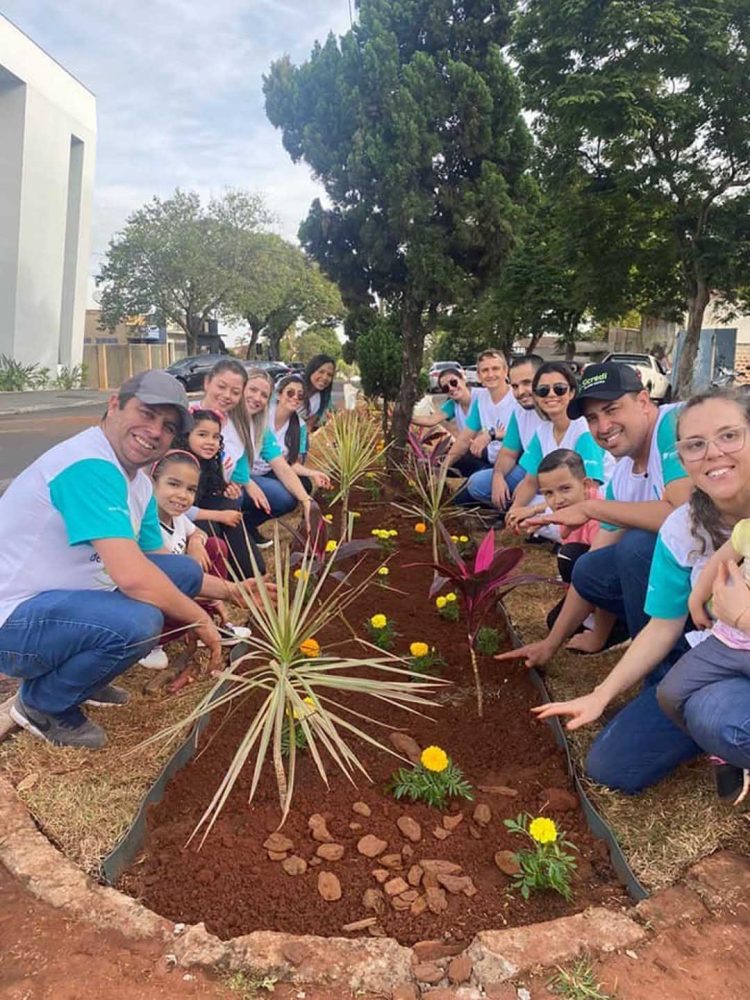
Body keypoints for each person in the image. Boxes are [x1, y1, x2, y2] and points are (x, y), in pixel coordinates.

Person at [0, 370, 261, 750]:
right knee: (138, 621)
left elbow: (156, 563)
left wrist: (232, 590)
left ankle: (78, 678)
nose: (155, 431)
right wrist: (199, 617)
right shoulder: (89, 465)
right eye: (146, 413)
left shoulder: (137, 481)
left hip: (55, 605)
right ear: (114, 406)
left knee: (184, 571)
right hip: (12, 622)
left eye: (168, 426)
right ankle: (42, 705)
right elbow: (134, 578)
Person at [518, 389, 750, 797]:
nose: (713, 453)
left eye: (729, 436)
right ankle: (724, 743)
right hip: (725, 658)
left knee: (716, 718)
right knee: (619, 762)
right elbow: (663, 627)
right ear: (681, 456)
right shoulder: (683, 527)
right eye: (695, 445)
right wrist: (600, 693)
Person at [509, 362, 692, 656]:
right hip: (687, 577)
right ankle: (638, 642)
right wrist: (550, 644)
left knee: (637, 546)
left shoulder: (674, 424)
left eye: (612, 409)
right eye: (592, 418)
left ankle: (668, 663)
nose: (603, 427)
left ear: (643, 401)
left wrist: (593, 508)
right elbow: (593, 567)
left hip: (726, 573)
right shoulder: (622, 475)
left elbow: (681, 515)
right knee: (589, 568)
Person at [138, 449, 252, 671]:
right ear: (152, 484)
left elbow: (198, 532)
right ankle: (152, 644)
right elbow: (163, 583)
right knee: (187, 572)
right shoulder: (146, 525)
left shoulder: (176, 517)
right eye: (173, 484)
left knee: (214, 547)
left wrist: (196, 543)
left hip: (185, 590)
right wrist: (217, 594)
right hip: (160, 595)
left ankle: (205, 623)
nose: (182, 495)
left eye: (191, 489)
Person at [505, 362, 613, 532]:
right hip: (561, 498)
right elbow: (530, 481)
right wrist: (514, 513)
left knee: (538, 516)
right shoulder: (542, 431)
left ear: (571, 392)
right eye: (543, 391)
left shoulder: (583, 429)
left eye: (559, 389)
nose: (551, 395)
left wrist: (532, 511)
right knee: (527, 509)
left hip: (592, 501)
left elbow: (589, 489)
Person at [534, 449, 622, 652]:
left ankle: (616, 626)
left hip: (615, 588)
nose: (557, 500)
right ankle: (589, 612)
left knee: (569, 556)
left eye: (565, 489)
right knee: (554, 622)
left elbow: (603, 574)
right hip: (590, 580)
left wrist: (598, 636)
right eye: (548, 493)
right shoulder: (569, 511)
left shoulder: (600, 516)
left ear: (586, 485)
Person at [176, 407, 265, 577]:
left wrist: (226, 489)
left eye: (216, 437)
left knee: (229, 506)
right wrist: (219, 515)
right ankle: (224, 574)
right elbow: (179, 509)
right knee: (213, 522)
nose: (210, 442)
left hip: (195, 512)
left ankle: (252, 571)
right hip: (179, 521)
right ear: (186, 435)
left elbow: (208, 494)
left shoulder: (207, 462)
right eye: (202, 435)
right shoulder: (180, 465)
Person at [463, 354, 545, 511]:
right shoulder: (520, 411)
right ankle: (514, 508)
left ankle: (527, 507)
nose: (520, 391)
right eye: (515, 386)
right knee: (476, 484)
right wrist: (498, 476)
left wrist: (529, 483)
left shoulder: (555, 410)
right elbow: (508, 452)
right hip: (529, 468)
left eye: (527, 383)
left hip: (559, 476)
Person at [241, 368, 314, 541]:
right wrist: (247, 482)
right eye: (252, 390)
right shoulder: (227, 418)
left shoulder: (265, 427)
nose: (257, 398)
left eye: (263, 394)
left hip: (258, 474)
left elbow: (283, 465)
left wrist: (306, 501)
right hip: (230, 480)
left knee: (290, 495)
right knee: (233, 495)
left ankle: (245, 524)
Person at [445, 351, 518, 476]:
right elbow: (464, 438)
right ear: (478, 375)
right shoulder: (481, 399)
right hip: (489, 458)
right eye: (485, 370)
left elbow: (526, 436)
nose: (490, 374)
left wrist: (491, 434)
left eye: (495, 369)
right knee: (450, 463)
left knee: (473, 485)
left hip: (514, 464)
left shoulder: (517, 397)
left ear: (506, 371)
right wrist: (443, 467)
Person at [411, 367, 485, 477]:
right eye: (445, 388)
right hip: (471, 451)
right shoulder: (453, 404)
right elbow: (432, 420)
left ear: (463, 379)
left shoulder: (483, 396)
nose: (451, 388)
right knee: (437, 466)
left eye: (454, 382)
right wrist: (407, 418)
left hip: (489, 449)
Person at [263, 374, 332, 492]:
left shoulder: (299, 426)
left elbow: (292, 464)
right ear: (279, 395)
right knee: (283, 496)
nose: (295, 397)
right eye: (290, 393)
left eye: (300, 395)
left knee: (305, 484)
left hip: (275, 471)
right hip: (251, 470)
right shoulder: (263, 415)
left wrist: (314, 473)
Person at [302, 354, 336, 432]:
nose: (325, 378)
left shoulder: (322, 399)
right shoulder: (293, 384)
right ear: (311, 370)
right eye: (321, 372)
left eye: (329, 375)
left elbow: (309, 426)